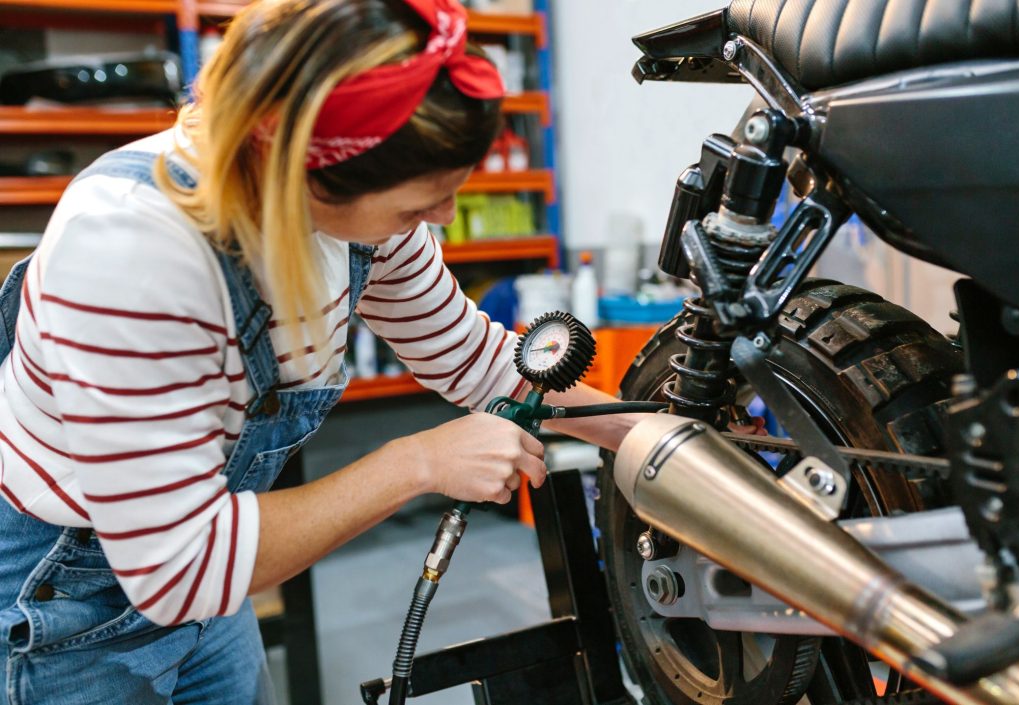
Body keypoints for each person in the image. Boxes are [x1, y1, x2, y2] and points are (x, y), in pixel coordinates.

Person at [0, 1, 640, 702]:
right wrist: (417, 462)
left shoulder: (350, 203)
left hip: (210, 559)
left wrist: (657, 438)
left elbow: (470, 353)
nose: (442, 220)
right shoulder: (131, 252)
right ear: (301, 169)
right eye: (415, 205)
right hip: (64, 599)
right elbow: (178, 561)